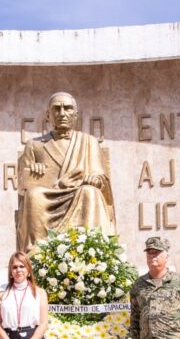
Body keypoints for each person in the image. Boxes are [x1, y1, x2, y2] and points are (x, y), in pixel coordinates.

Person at [15, 92, 116, 252]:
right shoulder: (34, 145)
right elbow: (22, 187)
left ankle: (91, 249)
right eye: (56, 109)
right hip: (48, 197)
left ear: (76, 114)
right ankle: (37, 251)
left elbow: (100, 175)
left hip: (78, 193)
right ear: (48, 115)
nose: (62, 113)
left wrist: (95, 180)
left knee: (90, 192)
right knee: (33, 196)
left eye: (67, 108)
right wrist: (34, 173)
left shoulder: (89, 142)